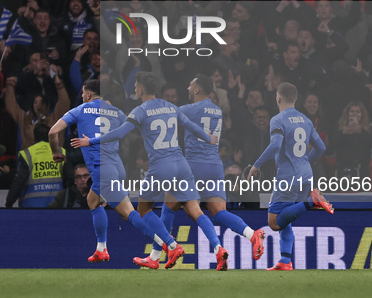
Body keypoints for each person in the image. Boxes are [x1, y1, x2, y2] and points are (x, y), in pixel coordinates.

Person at [72, 73, 229, 270]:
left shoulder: (140, 110)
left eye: (136, 86)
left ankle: (171, 246)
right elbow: (192, 126)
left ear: (140, 89)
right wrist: (209, 139)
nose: (135, 89)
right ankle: (218, 248)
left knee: (143, 209)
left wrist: (90, 141)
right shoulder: (171, 107)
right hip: (182, 165)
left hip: (161, 167)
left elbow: (119, 133)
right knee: (195, 209)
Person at [50, 79, 186, 267]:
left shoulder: (80, 110)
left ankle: (170, 245)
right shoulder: (116, 112)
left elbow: (52, 132)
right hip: (116, 167)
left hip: (102, 170)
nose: (82, 96)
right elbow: (134, 127)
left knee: (130, 213)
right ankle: (101, 249)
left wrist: (56, 152)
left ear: (88, 95)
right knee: (92, 200)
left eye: (83, 92)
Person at [135, 75, 266, 269]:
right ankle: (251, 234)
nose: (188, 87)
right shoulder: (218, 110)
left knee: (168, 207)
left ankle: (156, 256)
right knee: (219, 212)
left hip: (194, 165)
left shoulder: (187, 109)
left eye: (190, 85)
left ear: (197, 90)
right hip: (215, 166)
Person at [247, 82, 332, 271]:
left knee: (275, 222)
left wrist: (256, 165)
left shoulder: (278, 119)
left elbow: (276, 146)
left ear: (278, 98)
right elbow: (321, 148)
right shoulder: (306, 120)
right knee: (286, 220)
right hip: (305, 175)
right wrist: (305, 161)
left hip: (287, 177)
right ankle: (285, 261)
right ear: (295, 99)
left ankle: (313, 202)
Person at [5, 124, 67, 209]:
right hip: (57, 205)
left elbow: (19, 181)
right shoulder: (61, 151)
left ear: (34, 136)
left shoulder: (28, 153)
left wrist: (9, 202)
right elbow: (69, 178)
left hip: (32, 207)